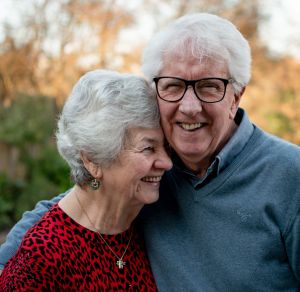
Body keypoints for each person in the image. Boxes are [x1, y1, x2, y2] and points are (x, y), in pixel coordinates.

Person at [1, 12, 300, 291]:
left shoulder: (290, 176)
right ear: (158, 89)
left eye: (209, 86)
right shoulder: (157, 168)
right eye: (173, 86)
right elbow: (84, 199)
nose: (190, 107)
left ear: (237, 94)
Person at [0, 69, 172, 290]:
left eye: (165, 147)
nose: (167, 163)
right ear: (92, 160)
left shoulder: (142, 223)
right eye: (149, 148)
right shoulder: (43, 254)